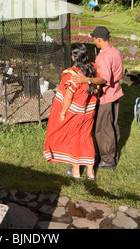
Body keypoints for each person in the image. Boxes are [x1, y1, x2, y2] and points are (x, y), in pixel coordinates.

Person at [44, 43, 100, 180]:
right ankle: (90, 172)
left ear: (73, 57)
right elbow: (97, 90)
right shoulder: (93, 70)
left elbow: (68, 97)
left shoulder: (73, 75)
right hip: (89, 111)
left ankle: (76, 171)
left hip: (75, 113)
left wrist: (62, 114)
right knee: (86, 138)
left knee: (74, 139)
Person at [73, 26, 124, 169]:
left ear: (99, 39)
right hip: (115, 93)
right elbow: (118, 73)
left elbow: (104, 79)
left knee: (103, 129)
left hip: (106, 97)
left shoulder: (105, 56)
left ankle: (107, 160)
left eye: (94, 39)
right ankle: (112, 155)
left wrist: (86, 80)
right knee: (112, 126)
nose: (94, 41)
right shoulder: (114, 51)